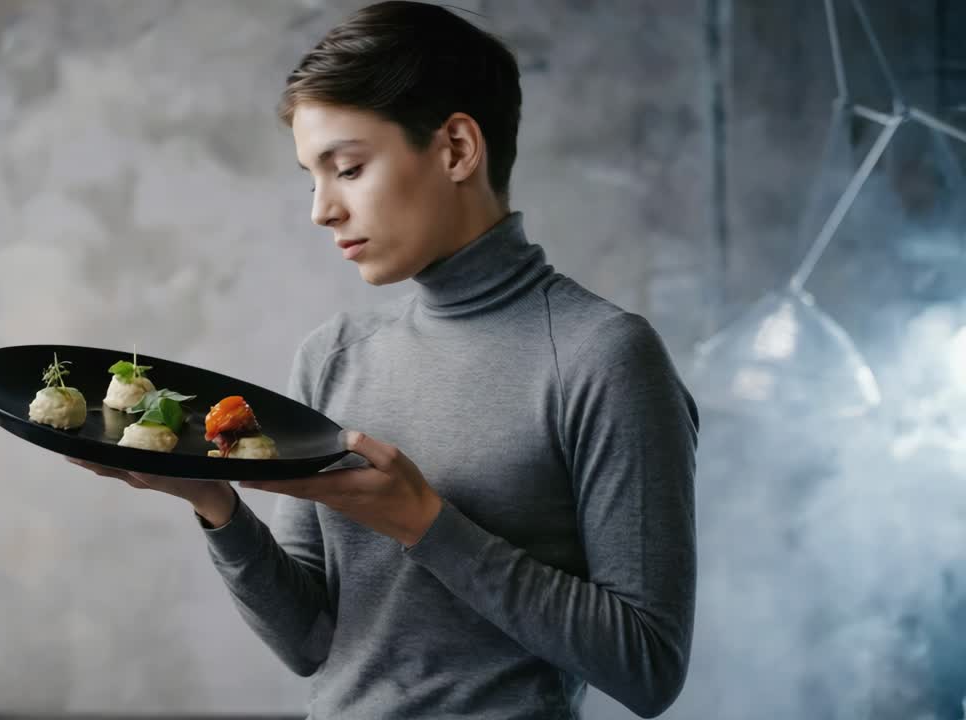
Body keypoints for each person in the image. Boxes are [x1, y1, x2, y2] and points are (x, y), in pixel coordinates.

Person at [70, 2, 699, 718]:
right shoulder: (332, 356)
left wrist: (425, 524)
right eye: (312, 176)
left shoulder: (604, 356)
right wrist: (214, 502)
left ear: (458, 149)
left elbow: (650, 668)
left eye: (347, 168)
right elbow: (311, 644)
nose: (322, 210)